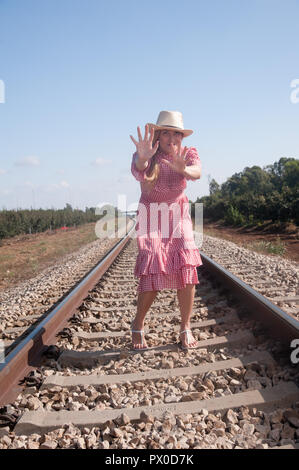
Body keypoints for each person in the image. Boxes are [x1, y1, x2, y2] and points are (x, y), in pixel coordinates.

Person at [129, 110, 202, 350]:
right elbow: (140, 169)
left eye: (177, 134)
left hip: (178, 213)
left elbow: (197, 172)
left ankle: (185, 327)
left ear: (182, 137)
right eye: (166, 133)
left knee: (186, 265)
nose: (172, 139)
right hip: (152, 216)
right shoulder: (148, 153)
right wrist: (142, 159)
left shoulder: (187, 153)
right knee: (153, 270)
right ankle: (138, 324)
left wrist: (184, 170)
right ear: (157, 136)